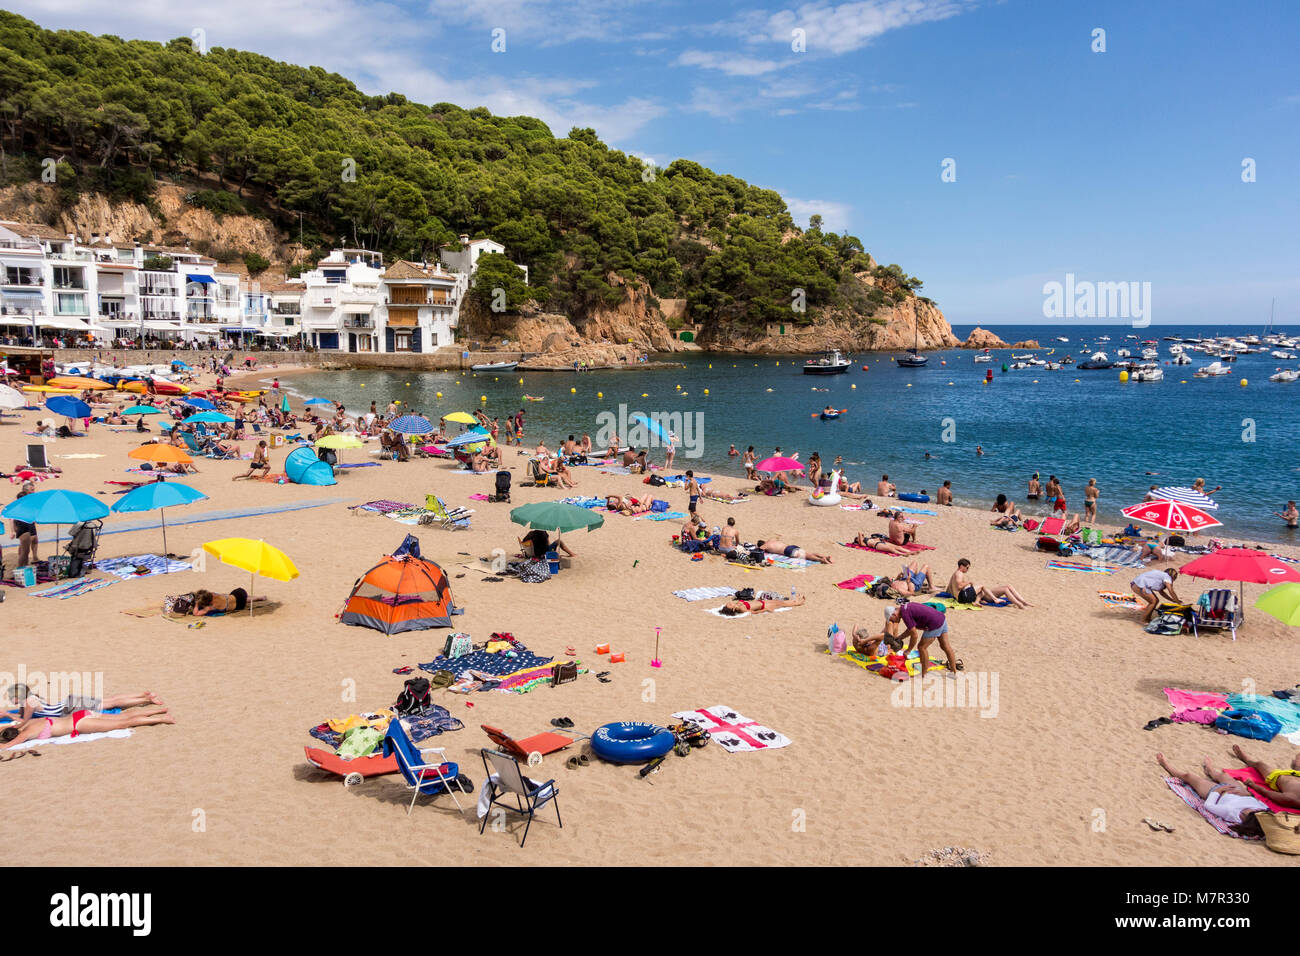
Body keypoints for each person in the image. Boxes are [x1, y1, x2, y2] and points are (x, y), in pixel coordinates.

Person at [1156, 752, 1267, 836]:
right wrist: (1247, 795)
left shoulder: (1231, 813)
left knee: (1189, 777)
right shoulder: (1261, 812)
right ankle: (1210, 770)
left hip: (1219, 792)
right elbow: (1259, 802)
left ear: (1245, 818)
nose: (1254, 809)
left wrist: (1219, 791)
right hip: (1239, 792)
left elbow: (1209, 806)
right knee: (1224, 776)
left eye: (1251, 811)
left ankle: (1165, 764)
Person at [1, 705, 175, 750]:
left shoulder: (28, 733)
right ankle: (159, 710)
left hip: (80, 724)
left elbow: (9, 745)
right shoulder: (29, 724)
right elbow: (12, 727)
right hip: (81, 715)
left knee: (122, 723)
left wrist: (4, 744)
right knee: (121, 717)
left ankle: (163, 718)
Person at [8, 683, 163, 720]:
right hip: (70, 702)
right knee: (111, 700)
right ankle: (143, 696)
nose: (10, 699)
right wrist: (8, 712)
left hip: (70, 707)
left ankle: (146, 699)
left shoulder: (29, 703)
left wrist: (6, 715)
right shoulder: (31, 698)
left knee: (111, 704)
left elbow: (24, 722)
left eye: (11, 696)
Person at [890, 600, 958, 678]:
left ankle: (924, 675)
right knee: (945, 646)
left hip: (934, 624)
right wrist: (900, 638)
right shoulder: (905, 607)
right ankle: (953, 672)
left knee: (922, 647)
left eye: (892, 620)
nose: (894, 622)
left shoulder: (905, 614)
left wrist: (908, 650)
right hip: (941, 618)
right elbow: (911, 629)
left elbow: (914, 635)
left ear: (894, 614)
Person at [1230, 744, 1300, 809]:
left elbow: (1268, 793)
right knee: (1298, 766)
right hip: (1296, 774)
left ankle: (1245, 758)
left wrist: (1253, 785)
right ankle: (1297, 764)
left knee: (1259, 764)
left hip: (1277, 777)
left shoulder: (1293, 799)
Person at [947, 558, 1032, 608]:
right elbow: (959, 586)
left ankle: (1023, 602)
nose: (967, 570)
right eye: (967, 568)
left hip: (972, 596)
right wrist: (969, 582)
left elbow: (950, 588)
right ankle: (1020, 605)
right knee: (1005, 589)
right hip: (968, 597)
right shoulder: (959, 574)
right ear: (962, 566)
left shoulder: (955, 574)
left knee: (1008, 586)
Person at [9, 481, 38, 571]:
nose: (33, 492)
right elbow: (11, 518)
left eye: (34, 490)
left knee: (28, 546)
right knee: (25, 550)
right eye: (31, 490)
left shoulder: (29, 502)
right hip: (23, 528)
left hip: (28, 525)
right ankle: (21, 568)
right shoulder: (20, 503)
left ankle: (28, 563)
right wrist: (13, 531)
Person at [718, 593, 806, 616]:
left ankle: (795, 601)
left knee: (780, 602)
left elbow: (750, 602)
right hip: (764, 605)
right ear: (733, 609)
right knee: (782, 604)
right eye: (728, 605)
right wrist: (765, 610)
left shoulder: (738, 603)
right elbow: (754, 612)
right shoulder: (742, 609)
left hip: (762, 601)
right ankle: (798, 603)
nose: (728, 603)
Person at [756, 539, 832, 564]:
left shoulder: (766, 545)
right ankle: (824, 556)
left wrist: (758, 548)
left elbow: (759, 550)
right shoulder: (771, 540)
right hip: (791, 546)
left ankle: (821, 560)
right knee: (807, 553)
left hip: (787, 551)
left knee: (806, 556)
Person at [191, 588, 257, 615]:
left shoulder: (210, 607)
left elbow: (196, 613)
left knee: (241, 601)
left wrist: (196, 604)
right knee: (230, 596)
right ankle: (259, 597)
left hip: (240, 606)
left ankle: (256, 598)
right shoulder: (213, 594)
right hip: (240, 592)